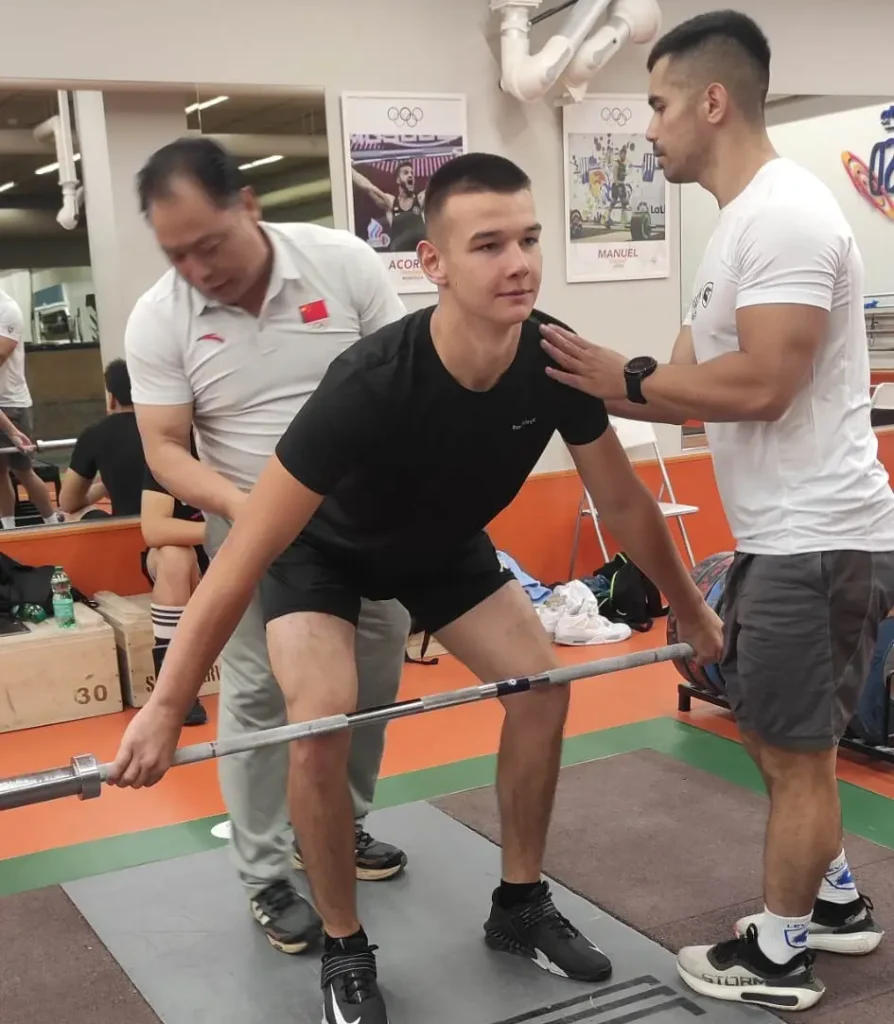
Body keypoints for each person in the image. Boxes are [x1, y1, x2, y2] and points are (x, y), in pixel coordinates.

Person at [109, 151, 724, 1024]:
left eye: (529, 240)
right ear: (432, 263)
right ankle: (344, 946)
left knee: (540, 690)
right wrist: (167, 707)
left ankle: (520, 905)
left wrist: (693, 611)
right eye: (488, 245)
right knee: (320, 724)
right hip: (319, 551)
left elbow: (622, 502)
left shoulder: (554, 357)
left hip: (437, 545)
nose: (518, 263)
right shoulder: (369, 384)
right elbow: (245, 553)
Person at [538, 10, 894, 1013]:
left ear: (712, 101)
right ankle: (832, 898)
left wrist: (627, 374)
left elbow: (767, 384)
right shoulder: (736, 226)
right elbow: (682, 389)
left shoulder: (784, 215)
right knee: (778, 736)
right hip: (786, 538)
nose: (649, 129)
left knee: (796, 753)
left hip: (818, 538)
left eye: (657, 106)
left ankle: (780, 958)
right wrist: (566, 375)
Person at [123, 137, 413, 956]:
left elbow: (403, 382)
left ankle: (336, 827)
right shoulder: (160, 316)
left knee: (368, 682)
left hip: (365, 521)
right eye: (176, 254)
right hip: (248, 521)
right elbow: (164, 449)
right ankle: (265, 874)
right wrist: (245, 507)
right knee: (257, 695)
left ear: (247, 205)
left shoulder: (342, 264)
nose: (198, 269)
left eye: (209, 244)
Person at [140, 438, 210, 727]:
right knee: (174, 556)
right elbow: (154, 529)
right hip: (194, 559)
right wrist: (233, 529)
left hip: (241, 556)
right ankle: (174, 688)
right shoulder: (172, 451)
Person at [0, 288, 65, 529]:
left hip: (12, 403)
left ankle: (51, 521)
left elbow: (1, 353)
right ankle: (8, 527)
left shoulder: (7, 310)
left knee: (22, 470)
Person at [59, 359, 146, 518]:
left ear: (112, 398)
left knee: (73, 515)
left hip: (126, 526)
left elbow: (68, 502)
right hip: (174, 523)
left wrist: (102, 488)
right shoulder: (170, 427)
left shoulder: (95, 434)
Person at [352, 161, 427, 252]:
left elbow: (438, 185)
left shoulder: (420, 200)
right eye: (406, 173)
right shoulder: (391, 203)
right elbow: (368, 187)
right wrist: (349, 168)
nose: (410, 175)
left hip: (419, 257)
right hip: (397, 257)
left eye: (412, 173)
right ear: (398, 180)